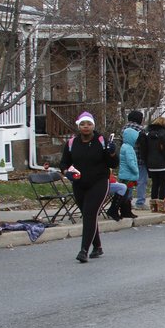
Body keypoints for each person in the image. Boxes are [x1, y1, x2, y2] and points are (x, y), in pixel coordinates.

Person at [59, 112, 118, 263]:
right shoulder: (72, 143)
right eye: (83, 124)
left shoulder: (101, 141)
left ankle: (83, 250)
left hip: (99, 182)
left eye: (89, 124)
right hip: (79, 184)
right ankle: (97, 246)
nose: (86, 127)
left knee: (90, 213)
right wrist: (67, 173)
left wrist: (112, 153)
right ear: (78, 126)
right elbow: (64, 163)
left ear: (93, 126)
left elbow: (113, 164)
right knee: (87, 215)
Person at [135, 116, 165, 213]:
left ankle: (153, 207)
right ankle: (161, 206)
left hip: (151, 164)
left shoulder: (148, 134)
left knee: (155, 184)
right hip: (163, 164)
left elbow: (144, 149)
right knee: (163, 185)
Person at [125, 110, 148, 210]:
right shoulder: (140, 129)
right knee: (141, 181)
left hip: (126, 158)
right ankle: (140, 202)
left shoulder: (124, 128)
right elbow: (144, 144)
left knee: (128, 181)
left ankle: (127, 201)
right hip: (139, 157)